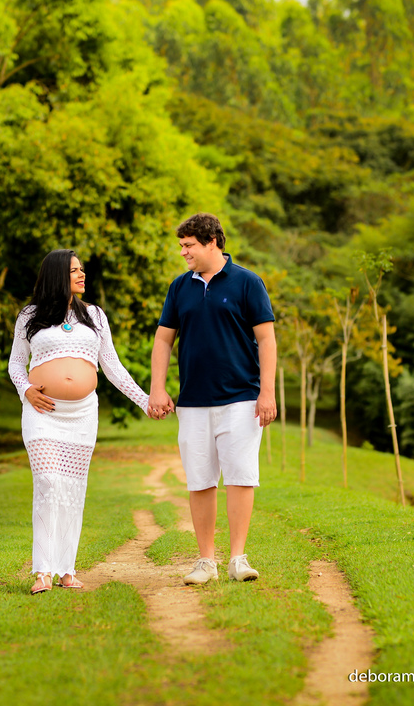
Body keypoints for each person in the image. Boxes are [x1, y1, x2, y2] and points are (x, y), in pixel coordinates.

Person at [8, 249, 153, 595]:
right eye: (74, 270)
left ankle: (66, 569)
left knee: (72, 489)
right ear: (57, 274)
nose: (82, 274)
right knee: (47, 482)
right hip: (43, 413)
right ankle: (43, 570)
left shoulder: (95, 316)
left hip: (82, 415)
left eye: (82, 269)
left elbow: (113, 367)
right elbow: (15, 363)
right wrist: (26, 390)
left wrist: (145, 401)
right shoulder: (30, 316)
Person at [148, 213, 277, 584]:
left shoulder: (248, 282)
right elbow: (163, 339)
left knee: (240, 476)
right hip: (192, 401)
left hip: (241, 398)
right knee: (200, 480)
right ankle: (206, 561)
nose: (183, 252)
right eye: (182, 246)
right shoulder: (179, 287)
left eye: (189, 245)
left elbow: (266, 339)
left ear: (212, 242)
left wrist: (266, 392)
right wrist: (158, 387)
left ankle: (238, 559)